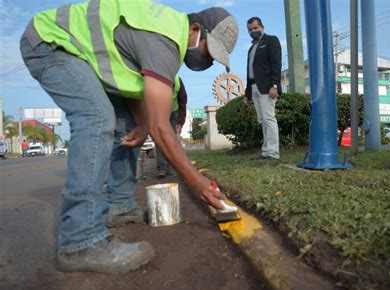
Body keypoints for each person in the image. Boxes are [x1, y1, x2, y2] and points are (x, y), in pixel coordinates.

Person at [20, 0, 238, 273]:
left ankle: (121, 205)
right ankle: (80, 240)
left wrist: (141, 123)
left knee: (124, 125)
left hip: (73, 51)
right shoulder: (165, 40)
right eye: (209, 51)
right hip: (50, 43)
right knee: (96, 117)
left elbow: (128, 82)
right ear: (195, 28)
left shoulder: (164, 33)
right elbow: (161, 128)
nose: (206, 60)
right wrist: (198, 183)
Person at [244, 17, 282, 161]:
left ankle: (273, 153)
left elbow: (276, 64)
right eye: (250, 29)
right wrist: (247, 94)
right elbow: (249, 72)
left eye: (255, 28)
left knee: (269, 118)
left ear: (262, 27)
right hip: (253, 87)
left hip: (267, 87)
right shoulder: (251, 49)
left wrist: (274, 85)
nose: (253, 31)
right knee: (262, 120)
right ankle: (266, 152)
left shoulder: (271, 41)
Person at [155, 76, 187, 178]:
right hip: (159, 111)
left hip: (174, 112)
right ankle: (161, 169)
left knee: (172, 140)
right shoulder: (155, 83)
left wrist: (180, 122)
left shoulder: (178, 82)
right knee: (161, 139)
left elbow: (183, 103)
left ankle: (172, 167)